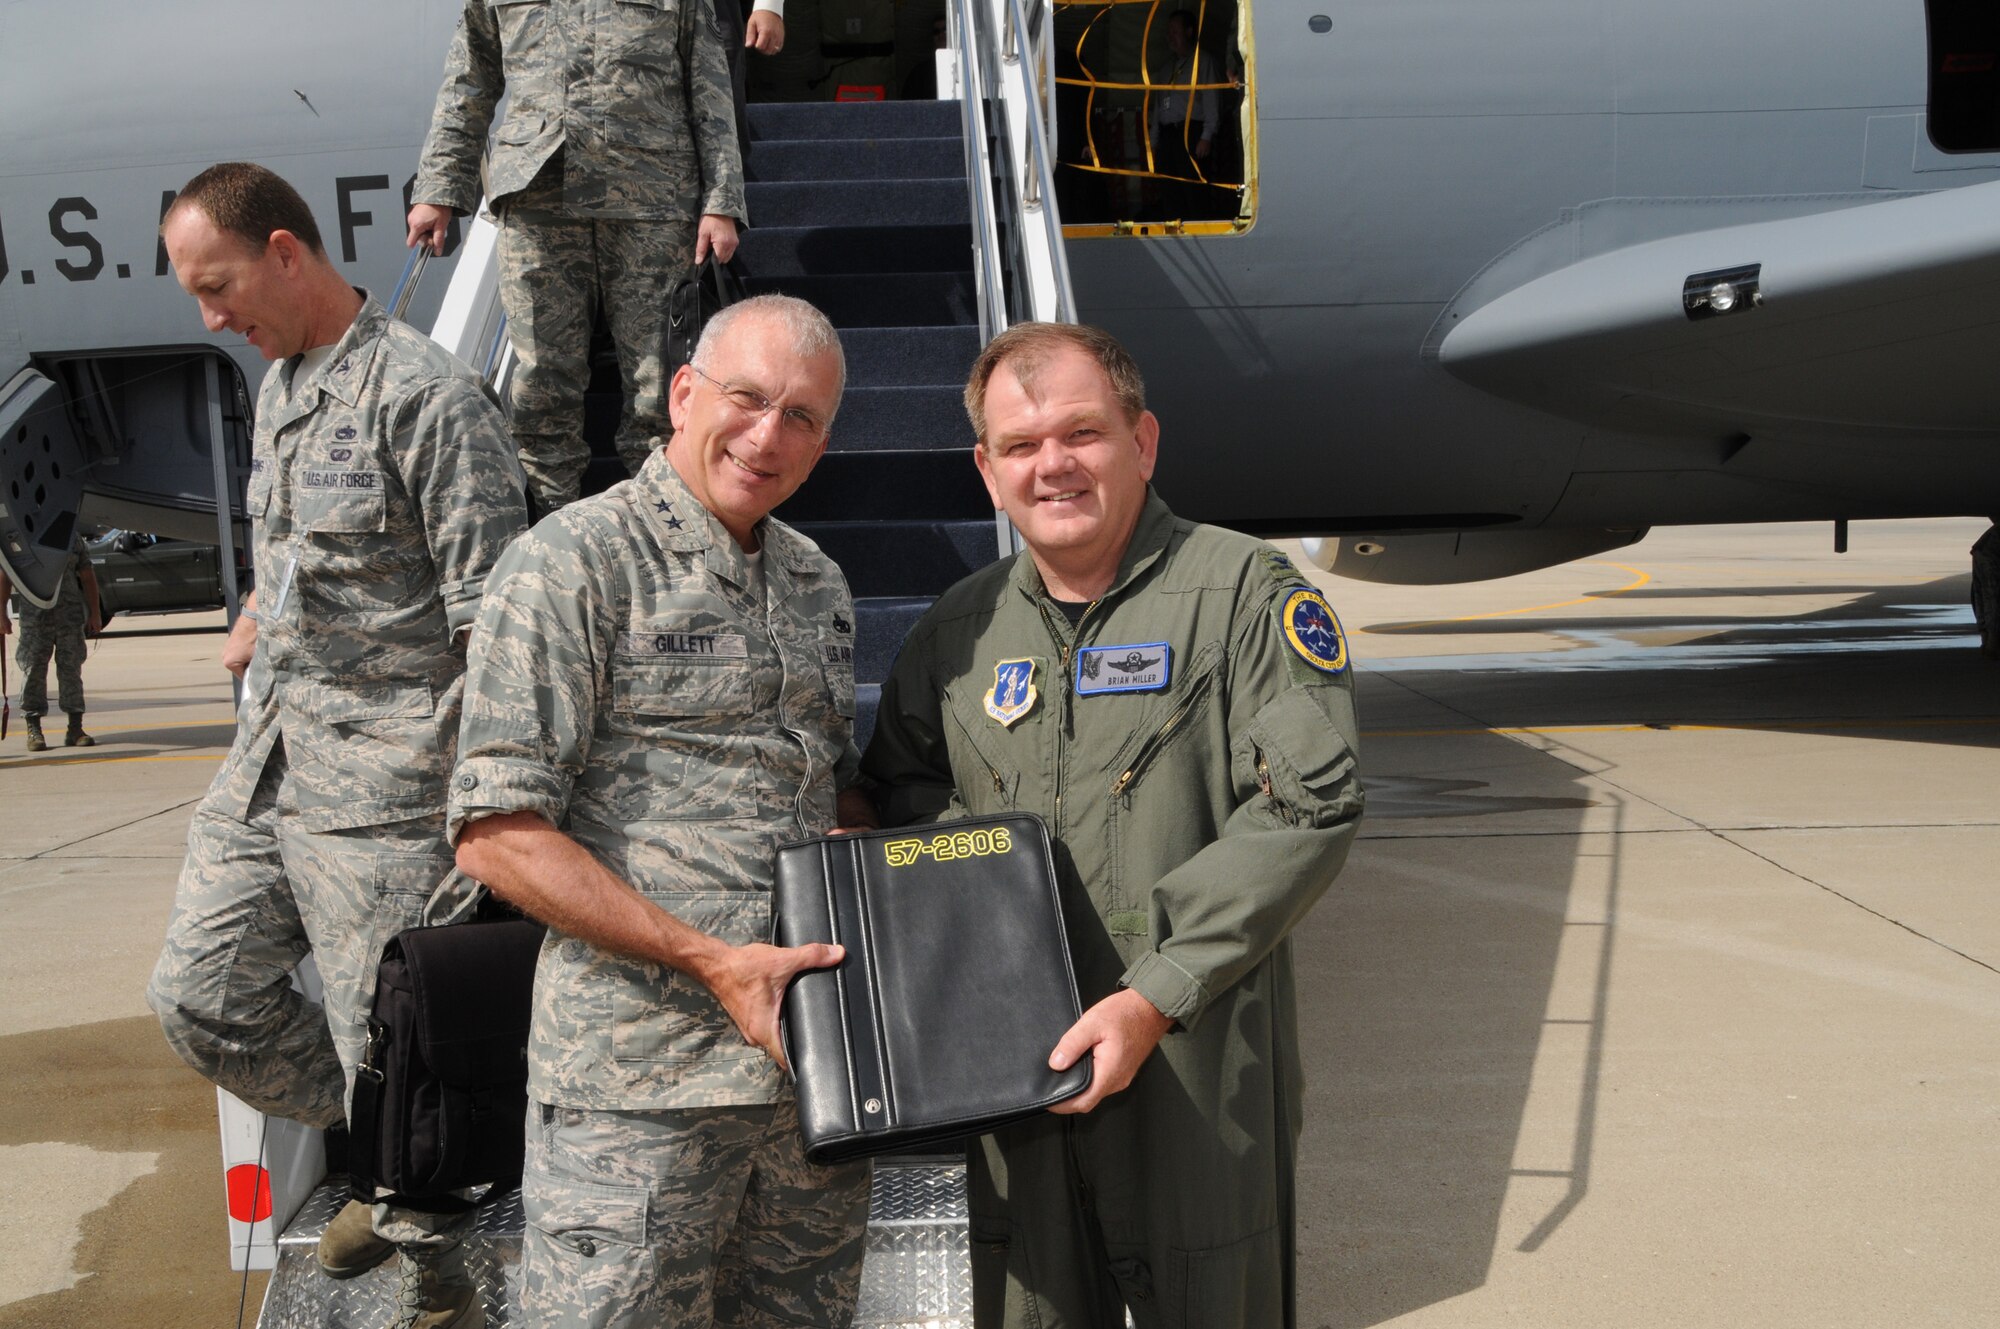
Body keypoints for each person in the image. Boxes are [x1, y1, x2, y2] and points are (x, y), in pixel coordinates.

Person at [862, 322, 1365, 1328]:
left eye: (1081, 433)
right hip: (1015, 1066)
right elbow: (897, 793)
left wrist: (1155, 994)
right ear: (986, 470)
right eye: (1019, 445)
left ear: (1141, 443)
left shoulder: (1241, 597)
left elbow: (1306, 810)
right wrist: (954, 870)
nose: (1052, 465)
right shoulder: (957, 632)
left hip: (1191, 1054)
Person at [146, 162, 529, 1329]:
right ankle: (381, 1151)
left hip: (388, 797)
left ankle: (448, 1286)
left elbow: (495, 622)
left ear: (285, 253)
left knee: (400, 1045)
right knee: (199, 996)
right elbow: (297, 549)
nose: (211, 317)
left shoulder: (427, 399)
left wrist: (486, 814)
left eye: (218, 287)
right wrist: (258, 614)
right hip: (273, 765)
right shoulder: (279, 386)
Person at [449, 294, 872, 1328]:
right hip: (637, 1091)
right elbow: (496, 836)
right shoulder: (573, 564)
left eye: (804, 417)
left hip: (810, 1083)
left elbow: (833, 780)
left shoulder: (817, 583)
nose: (769, 436)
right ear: (684, 394)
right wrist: (710, 960)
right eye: (747, 398)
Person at [408, 0, 748, 516]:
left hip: (650, 193)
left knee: (659, 386)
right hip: (537, 196)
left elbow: (707, 80)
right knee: (542, 383)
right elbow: (470, 77)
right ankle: (553, 530)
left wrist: (721, 201)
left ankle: (666, 530)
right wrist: (438, 188)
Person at [1, 541, 102, 751]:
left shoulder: (71, 536)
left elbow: (87, 574)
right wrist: (1, 612)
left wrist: (95, 613)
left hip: (69, 617)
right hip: (35, 619)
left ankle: (75, 728)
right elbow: (6, 574)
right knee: (33, 671)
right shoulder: (24, 536)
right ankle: (34, 729)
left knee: (71, 671)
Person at [1146, 10, 1222, 222]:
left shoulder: (1203, 61)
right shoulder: (1165, 69)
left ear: (1189, 32)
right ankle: (1173, 231)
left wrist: (1206, 135)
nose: (1170, 36)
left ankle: (1200, 231)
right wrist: (1153, 143)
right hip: (1168, 137)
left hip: (1191, 133)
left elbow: (1211, 99)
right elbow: (1158, 107)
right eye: (1168, 32)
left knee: (1194, 191)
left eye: (1175, 31)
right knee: (1170, 190)